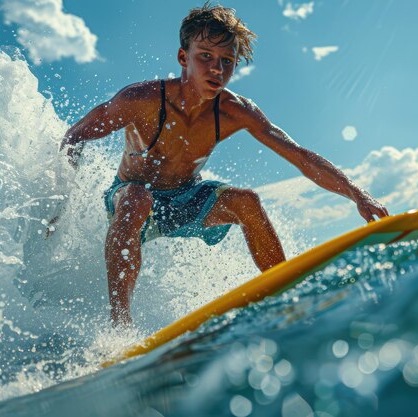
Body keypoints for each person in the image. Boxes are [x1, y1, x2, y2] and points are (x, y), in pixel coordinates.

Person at [59, 3, 389, 326]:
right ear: (183, 58)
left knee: (247, 201)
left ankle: (288, 295)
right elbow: (74, 136)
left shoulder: (236, 111)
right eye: (206, 57)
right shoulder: (141, 100)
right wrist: (60, 198)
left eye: (227, 61)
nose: (217, 70)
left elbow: (299, 155)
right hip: (131, 199)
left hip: (187, 199)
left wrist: (358, 195)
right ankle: (119, 327)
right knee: (136, 198)